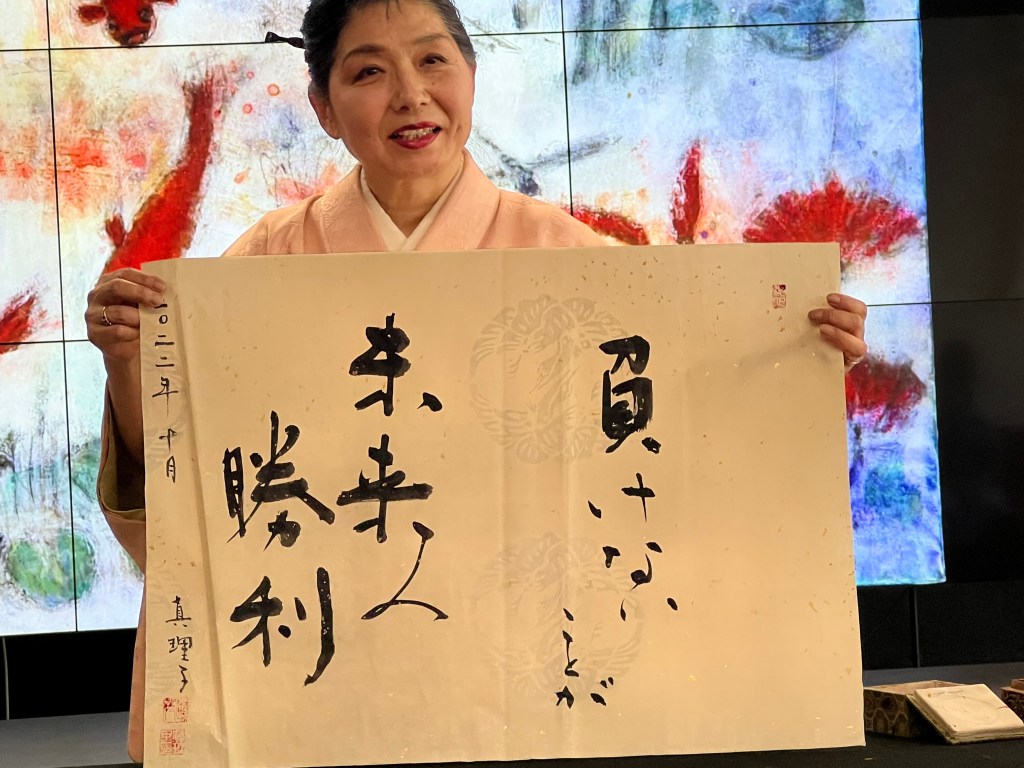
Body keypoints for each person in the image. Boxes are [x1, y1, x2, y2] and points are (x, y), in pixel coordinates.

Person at [84, 0, 869, 761]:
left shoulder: (571, 259)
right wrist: (128, 362)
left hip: (515, 679)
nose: (410, 94)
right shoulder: (263, 266)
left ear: (470, 76)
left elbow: (682, 452)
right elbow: (192, 498)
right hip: (323, 670)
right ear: (323, 107)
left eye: (433, 60)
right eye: (368, 72)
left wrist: (792, 360)